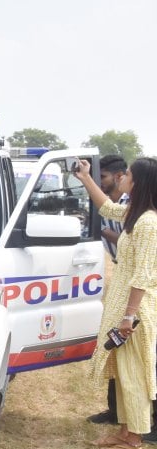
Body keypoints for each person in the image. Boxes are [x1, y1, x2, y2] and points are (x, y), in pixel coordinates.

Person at [76, 157, 157, 449]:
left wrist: (129, 316)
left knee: (134, 373)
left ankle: (134, 440)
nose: (123, 179)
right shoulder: (135, 214)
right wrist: (86, 178)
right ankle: (124, 431)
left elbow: (145, 275)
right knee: (123, 373)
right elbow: (107, 209)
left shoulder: (149, 222)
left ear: (138, 182)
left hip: (135, 311)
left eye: (128, 176)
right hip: (125, 305)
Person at [86, 155, 131, 426]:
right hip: (123, 274)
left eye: (101, 178)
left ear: (118, 176)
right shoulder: (114, 203)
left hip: (136, 280)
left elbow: (129, 240)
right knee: (115, 344)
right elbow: (106, 210)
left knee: (133, 347)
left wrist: (100, 230)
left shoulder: (134, 205)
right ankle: (115, 411)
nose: (99, 183)